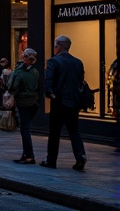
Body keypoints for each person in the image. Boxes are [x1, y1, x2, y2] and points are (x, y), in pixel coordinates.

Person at [41, 35, 87, 171]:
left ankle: (51, 160)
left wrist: (49, 93)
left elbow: (48, 80)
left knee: (54, 132)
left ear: (60, 46)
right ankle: (80, 156)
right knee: (74, 131)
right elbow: (80, 81)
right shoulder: (78, 62)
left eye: (55, 45)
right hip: (74, 102)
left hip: (59, 101)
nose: (54, 48)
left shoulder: (54, 62)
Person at [6, 48, 41, 164]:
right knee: (26, 127)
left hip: (23, 102)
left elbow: (11, 86)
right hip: (34, 102)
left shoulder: (19, 72)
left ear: (25, 57)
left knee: (25, 129)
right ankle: (26, 154)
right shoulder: (36, 72)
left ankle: (29, 155)